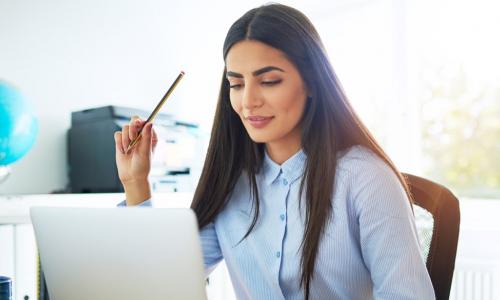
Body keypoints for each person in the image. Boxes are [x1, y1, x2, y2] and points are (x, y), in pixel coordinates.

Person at [114, 3, 435, 300]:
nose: (248, 101)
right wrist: (135, 182)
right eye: (236, 84)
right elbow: (161, 282)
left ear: (311, 82)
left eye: (268, 81)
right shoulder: (231, 182)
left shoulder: (366, 179)